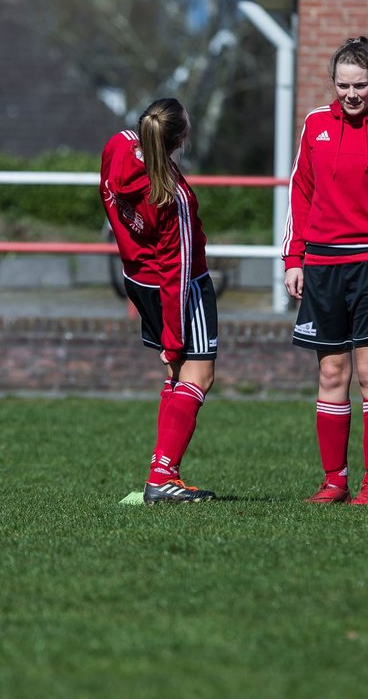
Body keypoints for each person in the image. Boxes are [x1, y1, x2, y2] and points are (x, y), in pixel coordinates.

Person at [283, 36, 368, 505]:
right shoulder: (315, 124)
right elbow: (299, 192)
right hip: (321, 266)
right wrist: (293, 258)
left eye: (360, 84)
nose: (351, 94)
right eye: (343, 85)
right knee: (331, 373)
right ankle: (334, 480)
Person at [100, 98, 217, 504]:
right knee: (197, 376)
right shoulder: (173, 195)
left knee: (177, 375)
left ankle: (163, 473)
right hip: (178, 289)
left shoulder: (116, 146)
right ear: (181, 139)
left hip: (136, 279)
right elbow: (178, 272)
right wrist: (173, 338)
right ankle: (162, 476)